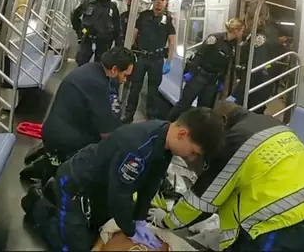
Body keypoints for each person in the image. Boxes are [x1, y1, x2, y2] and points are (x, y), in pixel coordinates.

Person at [22, 108, 226, 252]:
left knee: (100, 231)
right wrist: (130, 229)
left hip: (102, 185)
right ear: (182, 133)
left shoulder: (164, 142)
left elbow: (151, 183)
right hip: (76, 183)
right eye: (193, 152)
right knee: (74, 247)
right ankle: (37, 202)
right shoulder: (138, 147)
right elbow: (119, 195)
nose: (191, 159)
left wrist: (138, 219)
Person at [148, 101, 304, 251]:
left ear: (223, 120)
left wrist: (166, 221)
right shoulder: (269, 122)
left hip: (285, 221)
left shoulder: (234, 141)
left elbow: (202, 201)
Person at [20, 47, 136, 184]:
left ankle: (52, 159)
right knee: (103, 152)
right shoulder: (97, 84)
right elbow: (107, 131)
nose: (125, 80)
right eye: (125, 75)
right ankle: (52, 165)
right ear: (115, 70)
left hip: (63, 128)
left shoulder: (95, 70)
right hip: (63, 136)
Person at [167, 18, 245, 122]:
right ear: (236, 30)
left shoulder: (232, 46)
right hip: (199, 76)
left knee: (203, 110)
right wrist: (191, 72)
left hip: (212, 81)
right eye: (242, 30)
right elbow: (199, 55)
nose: (242, 33)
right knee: (184, 104)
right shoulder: (215, 38)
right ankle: (168, 124)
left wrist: (221, 82)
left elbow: (225, 66)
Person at [123, 0, 176, 123]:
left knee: (153, 89)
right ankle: (129, 114)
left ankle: (150, 116)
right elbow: (134, 34)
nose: (159, 3)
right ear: (153, 1)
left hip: (157, 59)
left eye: (162, 0)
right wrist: (129, 52)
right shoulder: (144, 16)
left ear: (166, 3)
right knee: (135, 87)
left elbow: (172, 41)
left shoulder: (168, 19)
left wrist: (168, 61)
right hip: (141, 56)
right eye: (157, 0)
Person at [228, 3, 281, 114]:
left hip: (255, 85)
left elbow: (255, 69)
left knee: (248, 115)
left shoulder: (261, 36)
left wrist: (237, 93)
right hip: (262, 83)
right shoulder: (270, 31)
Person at [72, 0, 121, 66]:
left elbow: (117, 26)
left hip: (104, 41)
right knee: (81, 63)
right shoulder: (88, 1)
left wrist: (116, 43)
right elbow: (74, 15)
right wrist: (79, 30)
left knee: (100, 66)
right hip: (87, 36)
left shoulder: (112, 7)